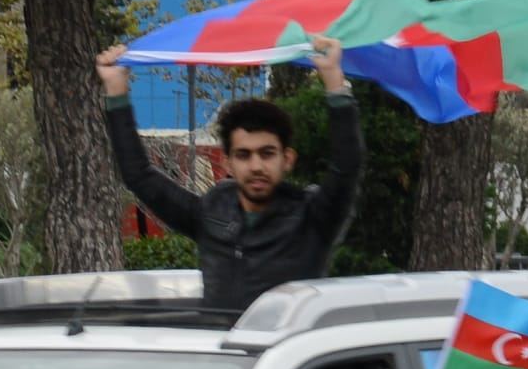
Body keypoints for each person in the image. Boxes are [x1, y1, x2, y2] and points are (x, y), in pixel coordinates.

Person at [96, 37, 364, 311]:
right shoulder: (211, 212)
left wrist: (334, 82)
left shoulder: (313, 217)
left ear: (288, 159)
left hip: (288, 353)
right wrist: (116, 91)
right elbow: (139, 175)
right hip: (219, 352)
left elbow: (346, 168)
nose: (256, 166)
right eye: (244, 155)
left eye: (267, 153)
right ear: (227, 163)